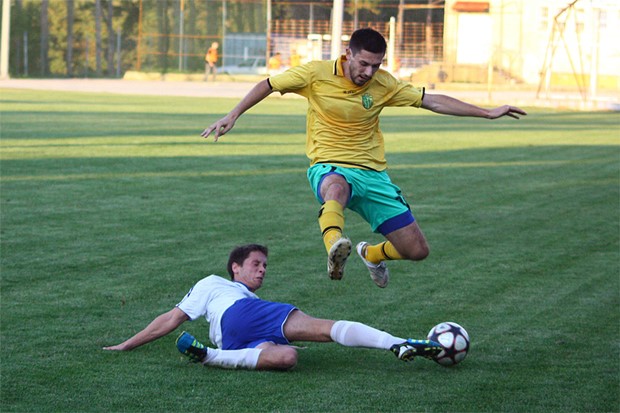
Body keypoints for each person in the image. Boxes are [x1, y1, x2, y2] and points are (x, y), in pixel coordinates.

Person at [200, 28, 527, 288]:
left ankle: (370, 254)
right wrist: (234, 114)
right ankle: (334, 246)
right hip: (328, 163)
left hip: (373, 173)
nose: (369, 72)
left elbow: (434, 102)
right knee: (336, 188)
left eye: (376, 65)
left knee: (417, 251)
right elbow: (269, 84)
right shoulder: (315, 74)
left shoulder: (385, 85)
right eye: (363, 64)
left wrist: (487, 113)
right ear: (348, 55)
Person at [103, 244, 441, 371]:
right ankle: (396, 342)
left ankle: (209, 356)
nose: (262, 269)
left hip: (231, 341)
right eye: (256, 263)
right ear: (235, 267)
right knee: (325, 327)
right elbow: (173, 317)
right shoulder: (215, 285)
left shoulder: (251, 299)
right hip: (240, 316)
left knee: (287, 357)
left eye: (265, 265)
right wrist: (127, 343)